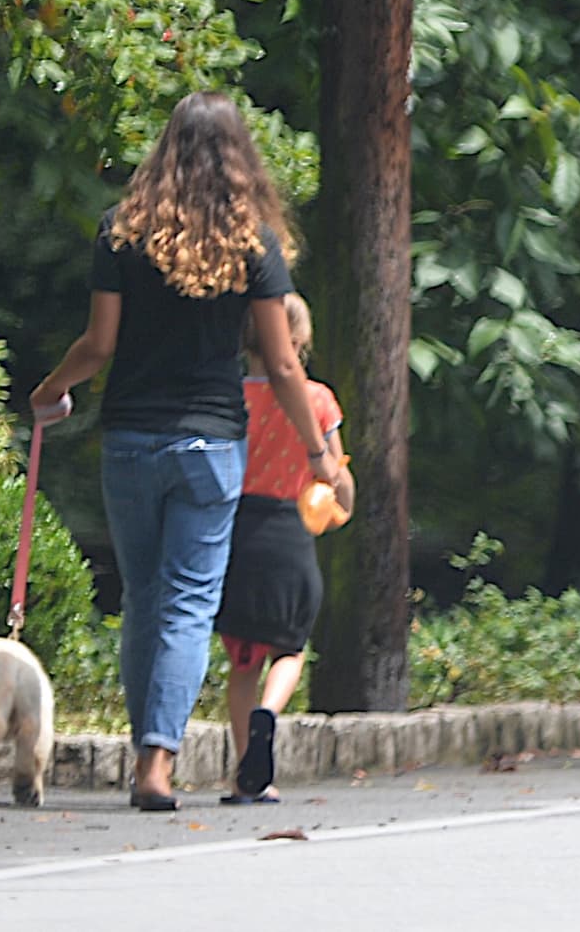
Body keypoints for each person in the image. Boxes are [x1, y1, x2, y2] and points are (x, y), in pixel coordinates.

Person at [29, 92, 338, 810]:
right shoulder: (252, 241)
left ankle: (149, 757)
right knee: (188, 606)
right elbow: (286, 364)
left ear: (165, 151)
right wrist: (320, 448)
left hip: (132, 440)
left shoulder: (120, 232)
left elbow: (98, 345)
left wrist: (48, 390)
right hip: (211, 445)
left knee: (144, 598)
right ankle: (158, 764)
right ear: (240, 159)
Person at [215, 292, 355, 804]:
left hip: (235, 531)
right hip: (290, 530)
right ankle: (267, 717)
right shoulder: (317, 401)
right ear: (296, 340)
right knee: (290, 647)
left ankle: (242, 775)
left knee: (243, 660)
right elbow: (337, 480)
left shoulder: (227, 393)